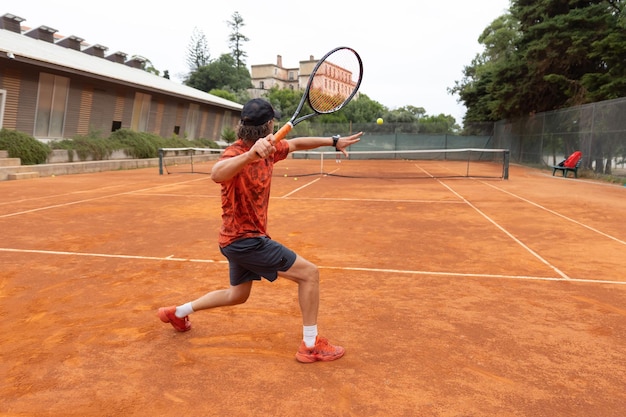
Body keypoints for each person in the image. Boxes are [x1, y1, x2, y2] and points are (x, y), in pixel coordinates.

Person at [158, 98, 363, 363]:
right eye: (273, 121)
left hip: (235, 240)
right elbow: (217, 173)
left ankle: (178, 312)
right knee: (310, 274)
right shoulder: (235, 154)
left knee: (237, 295)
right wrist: (250, 155)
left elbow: (298, 143)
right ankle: (310, 345)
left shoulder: (272, 150)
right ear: (268, 125)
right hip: (246, 241)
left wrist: (333, 141)